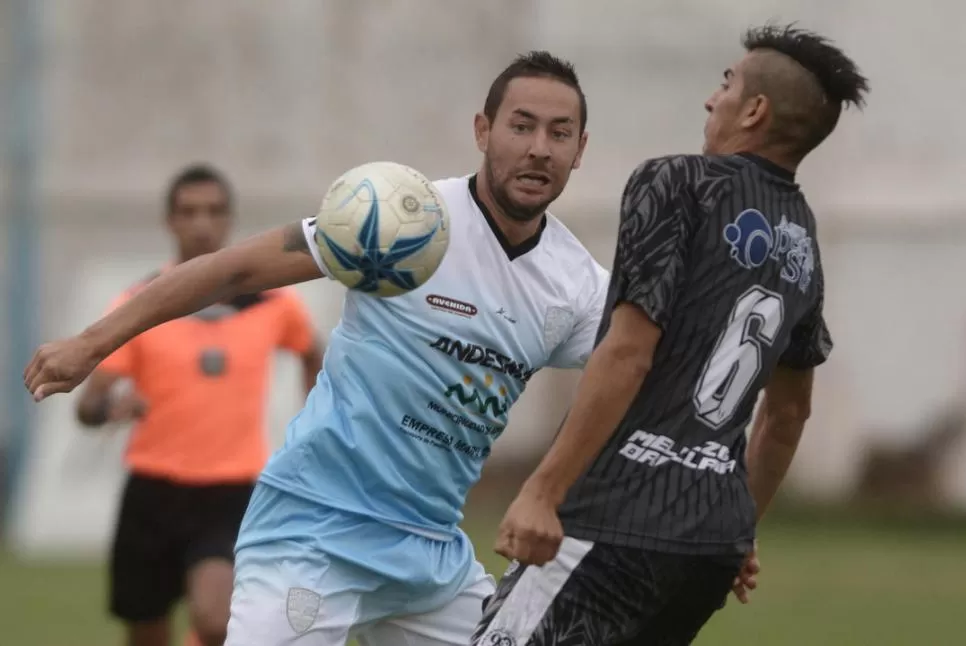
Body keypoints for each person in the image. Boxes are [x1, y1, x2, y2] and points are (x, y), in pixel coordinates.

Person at [23, 51, 609, 646]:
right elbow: (232, 271)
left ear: (580, 150)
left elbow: (630, 373)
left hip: (432, 557)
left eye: (559, 133)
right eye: (521, 125)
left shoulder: (579, 286)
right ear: (483, 131)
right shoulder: (402, 216)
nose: (540, 147)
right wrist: (93, 342)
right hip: (314, 530)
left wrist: (551, 491)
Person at [476, 24, 871, 645]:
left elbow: (629, 351)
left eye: (727, 84)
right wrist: (740, 526)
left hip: (612, 521)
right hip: (708, 549)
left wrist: (542, 490)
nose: (712, 100)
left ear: (755, 110)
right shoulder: (802, 237)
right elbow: (789, 413)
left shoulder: (676, 182)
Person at [73, 164, 323, 646]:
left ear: (229, 220)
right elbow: (87, 406)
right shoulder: (138, 305)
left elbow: (311, 351)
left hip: (231, 492)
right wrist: (110, 408)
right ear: (170, 222)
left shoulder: (272, 304)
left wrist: (312, 426)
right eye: (189, 212)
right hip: (151, 490)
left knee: (215, 620)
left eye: (213, 211)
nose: (202, 223)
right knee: (146, 631)